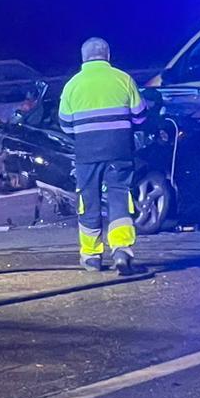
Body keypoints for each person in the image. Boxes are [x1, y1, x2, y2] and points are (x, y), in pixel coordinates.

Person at [57, 37, 147, 274]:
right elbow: (139, 116)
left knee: (89, 202)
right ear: (107, 56)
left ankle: (91, 257)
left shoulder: (72, 85)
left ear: (83, 57)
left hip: (87, 154)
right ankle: (121, 251)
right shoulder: (123, 79)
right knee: (119, 198)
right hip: (119, 151)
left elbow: (66, 125)